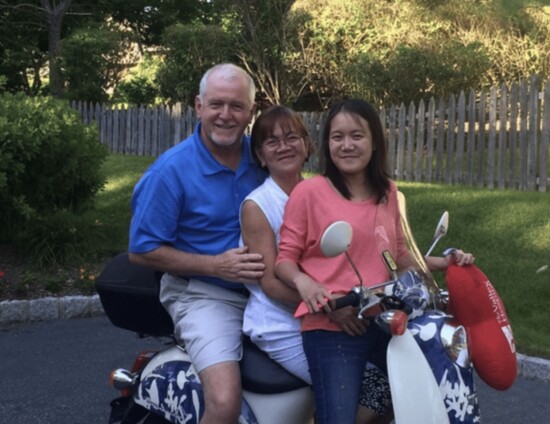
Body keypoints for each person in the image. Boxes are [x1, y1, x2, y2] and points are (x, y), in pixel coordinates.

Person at [274, 98, 474, 424]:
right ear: (327, 143)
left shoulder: (389, 192)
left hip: (385, 319)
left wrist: (446, 262)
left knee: (417, 398)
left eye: (357, 135)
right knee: (338, 418)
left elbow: (396, 255)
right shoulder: (309, 193)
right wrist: (306, 283)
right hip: (331, 328)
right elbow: (284, 260)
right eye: (337, 137)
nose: (347, 145)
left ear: (374, 141)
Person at [128, 63, 267, 424]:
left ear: (251, 111)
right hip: (202, 293)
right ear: (198, 106)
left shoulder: (263, 159)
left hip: (266, 290)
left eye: (236, 106)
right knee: (223, 401)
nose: (226, 115)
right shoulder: (170, 171)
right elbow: (141, 250)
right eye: (216, 104)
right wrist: (216, 265)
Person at [240, 105, 393, 424]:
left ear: (309, 145)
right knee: (356, 394)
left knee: (393, 379)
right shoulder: (258, 205)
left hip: (338, 309)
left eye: (292, 137)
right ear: (260, 154)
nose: (283, 146)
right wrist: (329, 306)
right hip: (282, 320)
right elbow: (270, 282)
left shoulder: (323, 191)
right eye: (272, 141)